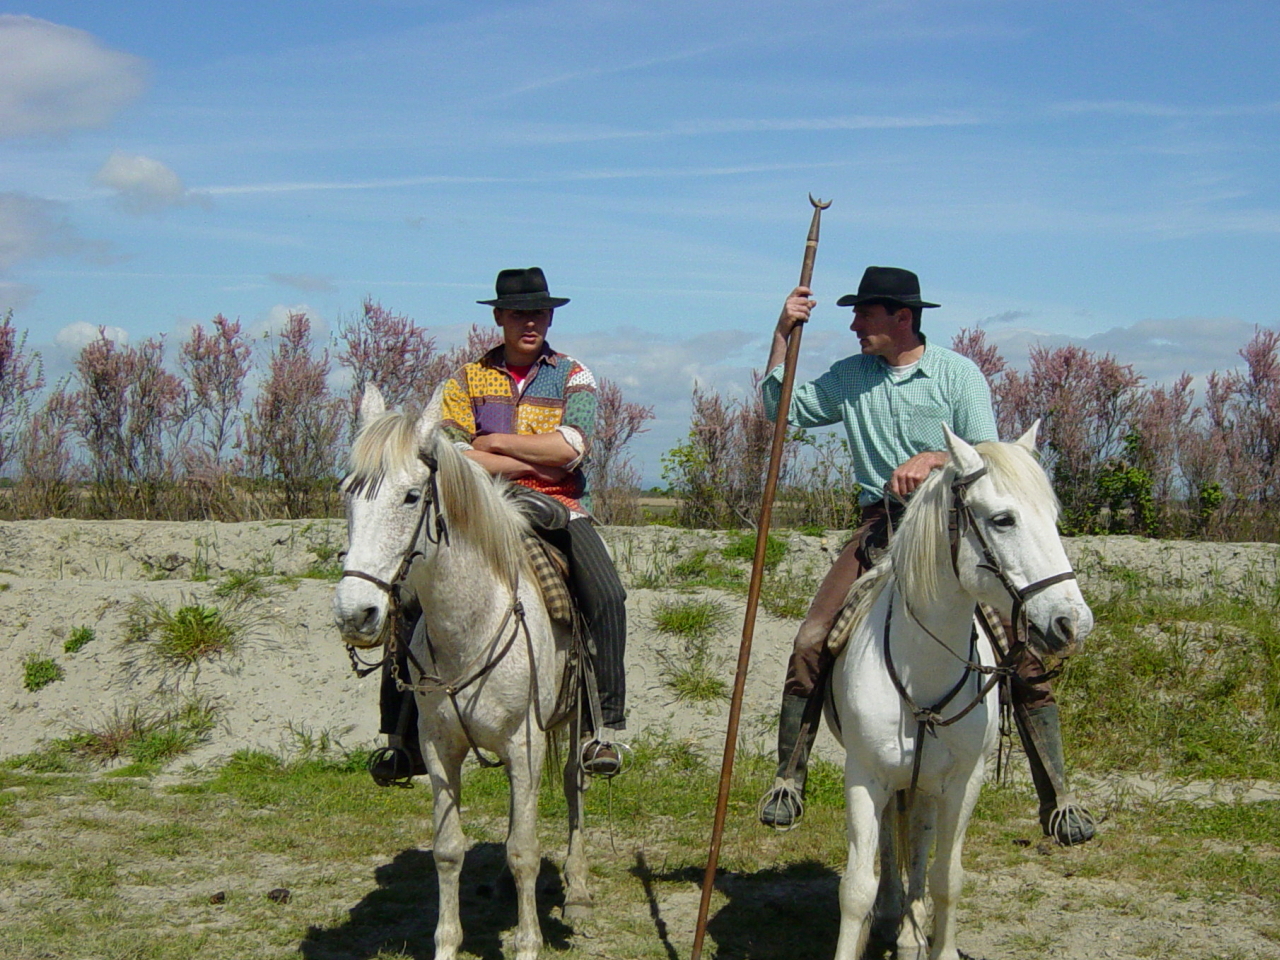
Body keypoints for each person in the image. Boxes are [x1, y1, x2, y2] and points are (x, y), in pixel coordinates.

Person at [756, 265, 1094, 846]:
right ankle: (789, 776)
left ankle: (1058, 797)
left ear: (902, 318)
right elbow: (777, 408)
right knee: (812, 638)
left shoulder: (959, 375)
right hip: (880, 526)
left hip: (952, 531)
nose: (855, 324)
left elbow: (987, 458)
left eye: (865, 314)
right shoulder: (849, 377)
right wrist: (782, 333)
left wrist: (935, 460)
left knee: (1020, 648)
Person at [369, 266, 628, 785]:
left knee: (606, 594)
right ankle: (399, 738)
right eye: (518, 312)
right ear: (499, 317)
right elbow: (455, 455)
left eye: (538, 311)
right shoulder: (464, 380)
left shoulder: (575, 375)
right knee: (409, 596)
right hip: (477, 512)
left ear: (550, 315)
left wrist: (497, 445)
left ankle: (603, 725)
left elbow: (574, 447)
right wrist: (538, 460)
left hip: (559, 509)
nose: (529, 321)